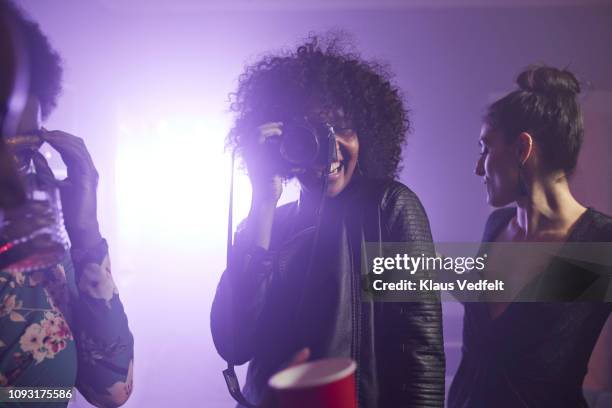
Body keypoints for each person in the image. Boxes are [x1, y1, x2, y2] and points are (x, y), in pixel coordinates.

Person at [210, 34, 445, 407]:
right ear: (284, 143)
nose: (331, 148)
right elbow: (233, 343)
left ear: (367, 133)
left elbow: (419, 358)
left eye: (343, 127)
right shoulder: (267, 223)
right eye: (312, 134)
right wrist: (263, 199)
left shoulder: (389, 208)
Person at [448, 65, 612, 407]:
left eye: (486, 148)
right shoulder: (495, 227)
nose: (479, 168)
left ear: (523, 148)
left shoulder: (602, 244)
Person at [0, 1, 134, 406]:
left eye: (25, 151)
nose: (15, 177)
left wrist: (86, 235)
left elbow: (109, 389)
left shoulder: (39, 241)